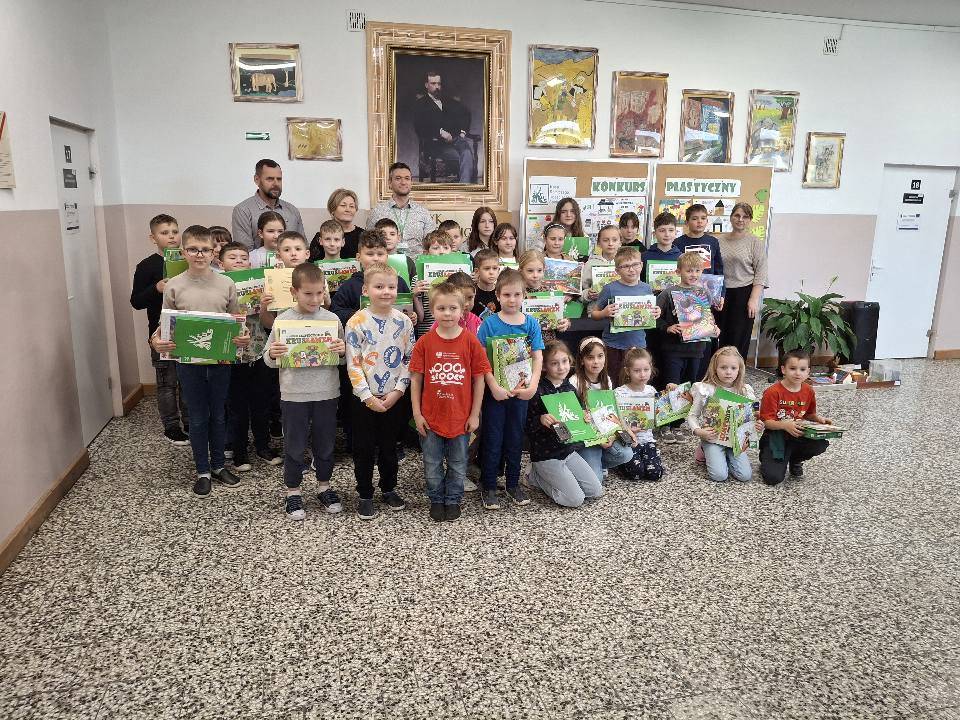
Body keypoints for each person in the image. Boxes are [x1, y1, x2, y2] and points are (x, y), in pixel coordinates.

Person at [149, 225, 250, 497]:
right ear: (183, 252)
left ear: (214, 252)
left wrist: (242, 337)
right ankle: (202, 470)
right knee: (197, 416)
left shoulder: (226, 283)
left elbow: (236, 322)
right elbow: (164, 325)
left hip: (220, 362)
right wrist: (156, 340)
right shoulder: (174, 285)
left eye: (205, 249)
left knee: (218, 413)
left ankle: (218, 465)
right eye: (193, 249)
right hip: (188, 363)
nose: (199, 254)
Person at [263, 263, 346, 520]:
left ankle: (324, 486)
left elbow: (344, 358)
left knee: (325, 443)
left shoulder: (332, 319)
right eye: (308, 293)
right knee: (294, 445)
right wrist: (273, 354)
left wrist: (342, 352)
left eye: (319, 293)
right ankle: (293, 491)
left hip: (326, 392)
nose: (315, 299)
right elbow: (268, 358)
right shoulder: (283, 320)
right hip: (294, 394)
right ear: (294, 292)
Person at [410, 281, 490, 522]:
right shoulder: (424, 342)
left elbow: (479, 380)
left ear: (462, 309)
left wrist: (474, 414)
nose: (447, 313)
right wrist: (417, 414)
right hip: (430, 418)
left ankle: (453, 499)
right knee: (431, 463)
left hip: (461, 418)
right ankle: (436, 499)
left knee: (458, 463)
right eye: (441, 308)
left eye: (453, 308)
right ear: (432, 310)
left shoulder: (471, 342)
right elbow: (416, 380)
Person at [344, 262, 415, 519]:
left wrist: (398, 391)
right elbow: (353, 363)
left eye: (391, 287)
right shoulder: (356, 322)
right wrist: (367, 396)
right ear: (366, 290)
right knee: (363, 448)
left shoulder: (404, 322)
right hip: (364, 398)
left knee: (389, 446)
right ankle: (365, 493)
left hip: (393, 397)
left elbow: (409, 359)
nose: (386, 292)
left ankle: (389, 488)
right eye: (379, 287)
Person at [476, 268, 544, 510]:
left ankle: (513, 484)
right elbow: (481, 361)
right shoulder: (489, 324)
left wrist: (533, 386)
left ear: (524, 295)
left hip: (521, 393)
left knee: (515, 438)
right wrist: (493, 386)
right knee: (493, 438)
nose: (512, 300)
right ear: (497, 295)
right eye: (506, 295)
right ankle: (489, 486)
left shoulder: (531, 324)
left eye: (517, 294)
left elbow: (537, 356)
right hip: (495, 394)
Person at [129, 213, 189, 445]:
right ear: (153, 238)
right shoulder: (147, 266)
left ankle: (190, 422)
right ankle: (171, 426)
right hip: (160, 333)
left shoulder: (188, 260)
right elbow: (136, 301)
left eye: (175, 232)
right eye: (164, 233)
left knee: (188, 381)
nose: (171, 237)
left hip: (188, 329)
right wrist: (156, 288)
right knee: (166, 382)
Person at [218, 242, 277, 472]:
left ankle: (263, 446)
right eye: (233, 257)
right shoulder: (218, 286)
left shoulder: (259, 284)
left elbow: (267, 323)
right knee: (237, 408)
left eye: (243, 258)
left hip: (259, 352)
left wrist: (263, 305)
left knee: (262, 404)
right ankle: (240, 452)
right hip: (232, 356)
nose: (239, 261)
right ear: (220, 263)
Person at [525, 340, 603, 508]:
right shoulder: (537, 390)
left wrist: (584, 417)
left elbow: (579, 416)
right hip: (546, 454)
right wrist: (540, 419)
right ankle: (534, 477)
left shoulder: (570, 389)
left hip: (568, 451)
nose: (561, 367)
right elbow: (525, 424)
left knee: (595, 491)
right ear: (544, 366)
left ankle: (556, 477)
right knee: (575, 499)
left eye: (564, 361)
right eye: (554, 363)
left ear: (570, 361)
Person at [655, 251, 720, 443]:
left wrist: (714, 328)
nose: (693, 274)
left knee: (689, 387)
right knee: (672, 386)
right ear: (678, 272)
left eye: (697, 271)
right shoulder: (668, 293)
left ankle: (677, 424)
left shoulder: (704, 293)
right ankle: (665, 424)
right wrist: (667, 327)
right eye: (689, 270)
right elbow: (654, 318)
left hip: (696, 350)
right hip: (673, 350)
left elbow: (707, 318)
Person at [687, 346, 763, 482]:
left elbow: (752, 418)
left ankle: (724, 456)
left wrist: (757, 426)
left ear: (739, 370)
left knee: (745, 476)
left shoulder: (745, 391)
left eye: (733, 368)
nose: (728, 372)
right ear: (715, 368)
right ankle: (704, 450)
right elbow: (692, 415)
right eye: (723, 367)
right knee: (719, 476)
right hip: (712, 438)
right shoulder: (706, 389)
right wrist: (699, 432)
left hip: (735, 440)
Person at [758, 349, 833, 486]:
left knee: (820, 444)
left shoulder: (808, 390)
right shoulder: (772, 392)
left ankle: (795, 459)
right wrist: (784, 425)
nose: (798, 373)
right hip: (776, 435)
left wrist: (819, 419)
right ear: (783, 369)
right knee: (773, 478)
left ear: (808, 372)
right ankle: (766, 453)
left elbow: (809, 414)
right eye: (792, 368)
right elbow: (767, 422)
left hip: (798, 433)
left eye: (802, 369)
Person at [590, 246, 661, 385]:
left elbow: (651, 312)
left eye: (635, 265)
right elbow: (594, 313)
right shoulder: (609, 288)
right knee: (614, 380)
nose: (631, 269)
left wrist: (657, 312)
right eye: (626, 266)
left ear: (641, 265)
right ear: (617, 270)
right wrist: (604, 313)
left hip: (638, 344)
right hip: (613, 345)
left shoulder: (646, 288)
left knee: (637, 380)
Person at [568, 337, 634, 481]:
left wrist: (613, 435)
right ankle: (582, 464)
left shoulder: (607, 380)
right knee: (597, 480)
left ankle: (598, 463)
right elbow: (575, 421)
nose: (596, 361)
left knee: (627, 454)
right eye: (590, 357)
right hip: (586, 440)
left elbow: (611, 411)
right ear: (582, 360)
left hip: (603, 433)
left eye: (600, 356)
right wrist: (598, 440)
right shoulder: (574, 382)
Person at [717, 202, 768, 360]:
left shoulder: (755, 242)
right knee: (719, 334)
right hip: (721, 293)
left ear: (750, 220)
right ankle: (718, 370)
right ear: (731, 217)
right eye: (737, 215)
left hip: (744, 294)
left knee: (738, 338)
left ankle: (738, 371)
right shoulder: (719, 241)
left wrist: (753, 299)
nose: (740, 219)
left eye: (745, 217)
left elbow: (761, 273)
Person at [412, 71, 475, 183]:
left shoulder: (449, 101)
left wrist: (463, 132)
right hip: (435, 143)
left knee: (466, 152)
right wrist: (440, 132)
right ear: (426, 85)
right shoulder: (420, 104)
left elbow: (466, 113)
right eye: (433, 83)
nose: (437, 87)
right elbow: (420, 127)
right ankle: (463, 184)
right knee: (463, 157)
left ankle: (464, 186)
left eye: (439, 84)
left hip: (456, 139)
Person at [366, 162, 437, 257]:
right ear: (390, 182)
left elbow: (432, 243)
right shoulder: (377, 212)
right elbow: (369, 243)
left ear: (411, 182)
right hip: (386, 263)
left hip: (417, 263)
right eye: (398, 178)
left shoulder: (422, 212)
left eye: (407, 178)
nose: (403, 182)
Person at [231, 159, 305, 249]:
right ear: (257, 180)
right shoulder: (243, 211)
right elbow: (244, 251)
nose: (276, 184)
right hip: (257, 258)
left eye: (279, 179)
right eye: (270, 179)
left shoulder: (292, 210)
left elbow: (302, 246)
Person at [615, 348, 665, 481]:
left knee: (655, 474)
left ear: (651, 368)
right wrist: (627, 429)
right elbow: (614, 420)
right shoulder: (619, 393)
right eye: (637, 371)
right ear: (628, 371)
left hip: (647, 440)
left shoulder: (651, 391)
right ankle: (618, 464)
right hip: (628, 441)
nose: (642, 374)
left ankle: (646, 458)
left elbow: (658, 415)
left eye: (646, 370)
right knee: (636, 473)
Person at [519, 248, 571, 342]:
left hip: (548, 343)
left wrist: (565, 323)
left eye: (539, 270)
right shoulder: (517, 293)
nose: (535, 275)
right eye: (530, 271)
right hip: (525, 343)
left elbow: (562, 316)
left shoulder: (550, 291)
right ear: (521, 271)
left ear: (544, 270)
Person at [311, 188, 362, 261]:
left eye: (351, 206)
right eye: (343, 205)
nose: (348, 210)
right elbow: (312, 265)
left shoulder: (363, 235)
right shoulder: (321, 236)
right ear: (333, 209)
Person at [675, 204, 724, 276]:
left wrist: (720, 282)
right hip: (687, 282)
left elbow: (718, 268)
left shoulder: (713, 241)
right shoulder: (678, 242)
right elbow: (677, 267)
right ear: (687, 222)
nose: (699, 221)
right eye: (695, 219)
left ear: (707, 221)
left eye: (703, 218)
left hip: (708, 282)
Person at [582, 224, 621, 314]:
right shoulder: (590, 264)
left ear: (620, 242)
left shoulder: (626, 263)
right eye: (605, 240)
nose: (610, 243)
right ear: (599, 243)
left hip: (619, 312)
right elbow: (580, 291)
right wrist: (588, 294)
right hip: (595, 313)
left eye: (614, 240)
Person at [471, 248, 500, 318]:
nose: (491, 272)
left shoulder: (501, 292)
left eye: (495, 268)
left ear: (498, 270)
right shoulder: (472, 293)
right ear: (477, 271)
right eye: (487, 268)